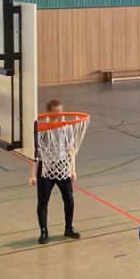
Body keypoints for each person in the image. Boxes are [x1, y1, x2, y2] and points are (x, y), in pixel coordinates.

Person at [28, 99, 81, 244]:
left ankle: (69, 227)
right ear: (49, 112)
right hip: (46, 167)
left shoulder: (66, 127)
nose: (60, 114)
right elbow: (34, 153)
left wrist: (73, 169)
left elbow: (71, 150)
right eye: (57, 111)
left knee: (69, 198)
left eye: (61, 111)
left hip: (62, 166)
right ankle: (44, 231)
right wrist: (32, 175)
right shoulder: (41, 128)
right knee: (43, 201)